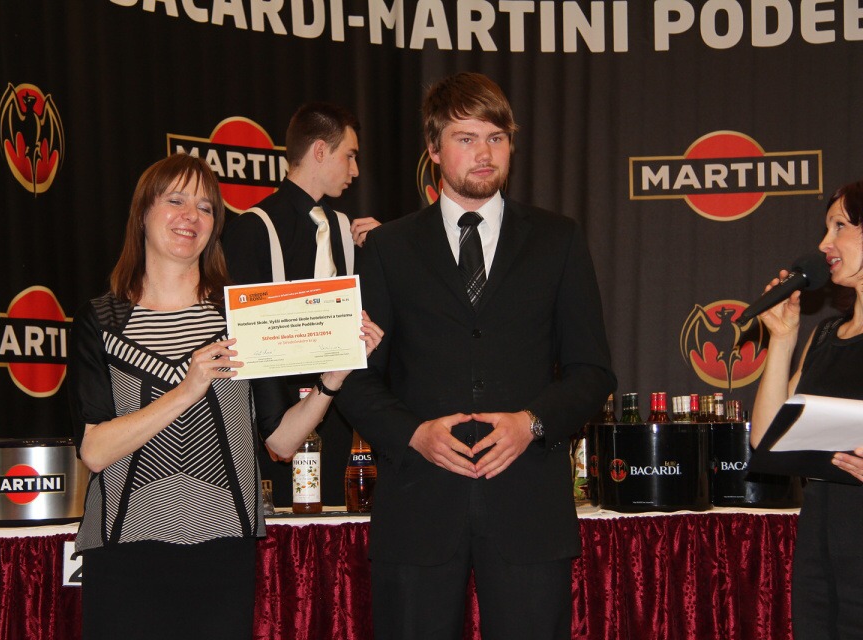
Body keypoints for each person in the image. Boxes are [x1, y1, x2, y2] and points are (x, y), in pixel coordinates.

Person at [334, 72, 616, 640]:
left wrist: (531, 424)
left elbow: (592, 372)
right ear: (434, 150)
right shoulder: (388, 247)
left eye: (496, 137)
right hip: (417, 506)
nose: (484, 153)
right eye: (466, 138)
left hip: (527, 507)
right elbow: (356, 377)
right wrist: (414, 434)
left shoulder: (558, 239)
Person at [67, 153, 382, 639]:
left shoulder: (241, 317)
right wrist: (187, 389)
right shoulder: (101, 320)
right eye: (175, 201)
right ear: (143, 213)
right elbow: (94, 449)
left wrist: (332, 380)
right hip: (123, 550)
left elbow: (281, 442)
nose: (190, 216)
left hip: (223, 549)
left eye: (206, 207)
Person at [223, 102, 380, 507]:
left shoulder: (348, 231)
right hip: (273, 427)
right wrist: (275, 427)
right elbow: (244, 350)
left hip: (341, 424)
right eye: (350, 156)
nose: (355, 170)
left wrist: (388, 249)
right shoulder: (251, 229)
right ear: (320, 151)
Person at [751, 179, 863, 640]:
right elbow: (766, 439)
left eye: (840, 226)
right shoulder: (827, 336)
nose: (824, 244)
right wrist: (782, 339)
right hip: (823, 538)